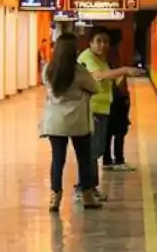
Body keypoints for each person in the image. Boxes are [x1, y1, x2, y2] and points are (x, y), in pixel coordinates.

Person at [76, 26, 144, 203]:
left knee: (96, 150)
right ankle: (82, 188)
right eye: (98, 41)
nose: (102, 45)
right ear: (90, 43)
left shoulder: (102, 59)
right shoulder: (87, 57)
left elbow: (111, 78)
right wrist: (123, 70)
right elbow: (98, 76)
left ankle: (91, 187)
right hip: (92, 109)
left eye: (105, 41)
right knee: (91, 151)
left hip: (103, 109)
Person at [40, 33, 102, 211]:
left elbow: (48, 87)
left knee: (57, 160)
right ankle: (88, 196)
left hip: (55, 122)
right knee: (83, 159)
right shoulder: (79, 71)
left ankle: (55, 197)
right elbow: (95, 88)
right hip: (77, 122)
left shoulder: (48, 70)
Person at [103, 28, 135, 172]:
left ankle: (107, 160)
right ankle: (119, 160)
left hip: (109, 97)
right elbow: (117, 76)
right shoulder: (114, 53)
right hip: (118, 97)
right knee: (120, 130)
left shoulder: (103, 55)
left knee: (108, 131)